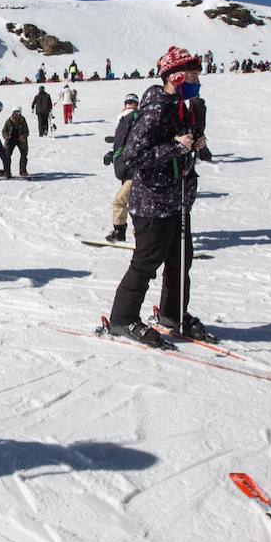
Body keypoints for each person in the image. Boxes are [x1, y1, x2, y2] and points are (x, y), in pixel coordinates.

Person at [105, 47, 210, 346]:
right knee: (145, 263)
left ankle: (173, 314)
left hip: (177, 200)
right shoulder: (156, 109)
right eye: (192, 76)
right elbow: (134, 157)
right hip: (152, 202)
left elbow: (178, 146)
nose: (196, 82)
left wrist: (195, 145)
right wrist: (177, 147)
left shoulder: (180, 107)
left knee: (180, 261)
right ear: (176, 77)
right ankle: (122, 319)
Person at [106, 93, 140, 243]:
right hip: (125, 168)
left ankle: (124, 233)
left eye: (133, 102)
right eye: (128, 102)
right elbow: (121, 142)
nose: (130, 105)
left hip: (134, 170)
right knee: (132, 203)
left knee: (121, 201)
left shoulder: (136, 119)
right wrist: (112, 153)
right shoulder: (123, 120)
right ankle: (128, 233)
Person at [1, 106, 31, 178]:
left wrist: (23, 136)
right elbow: (4, 131)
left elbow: (26, 132)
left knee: (24, 155)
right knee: (7, 155)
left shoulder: (23, 120)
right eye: (15, 112)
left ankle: (23, 171)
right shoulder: (9, 121)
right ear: (12, 113)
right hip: (10, 140)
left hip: (20, 140)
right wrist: (6, 136)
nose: (17, 114)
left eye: (18, 112)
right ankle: (7, 172)